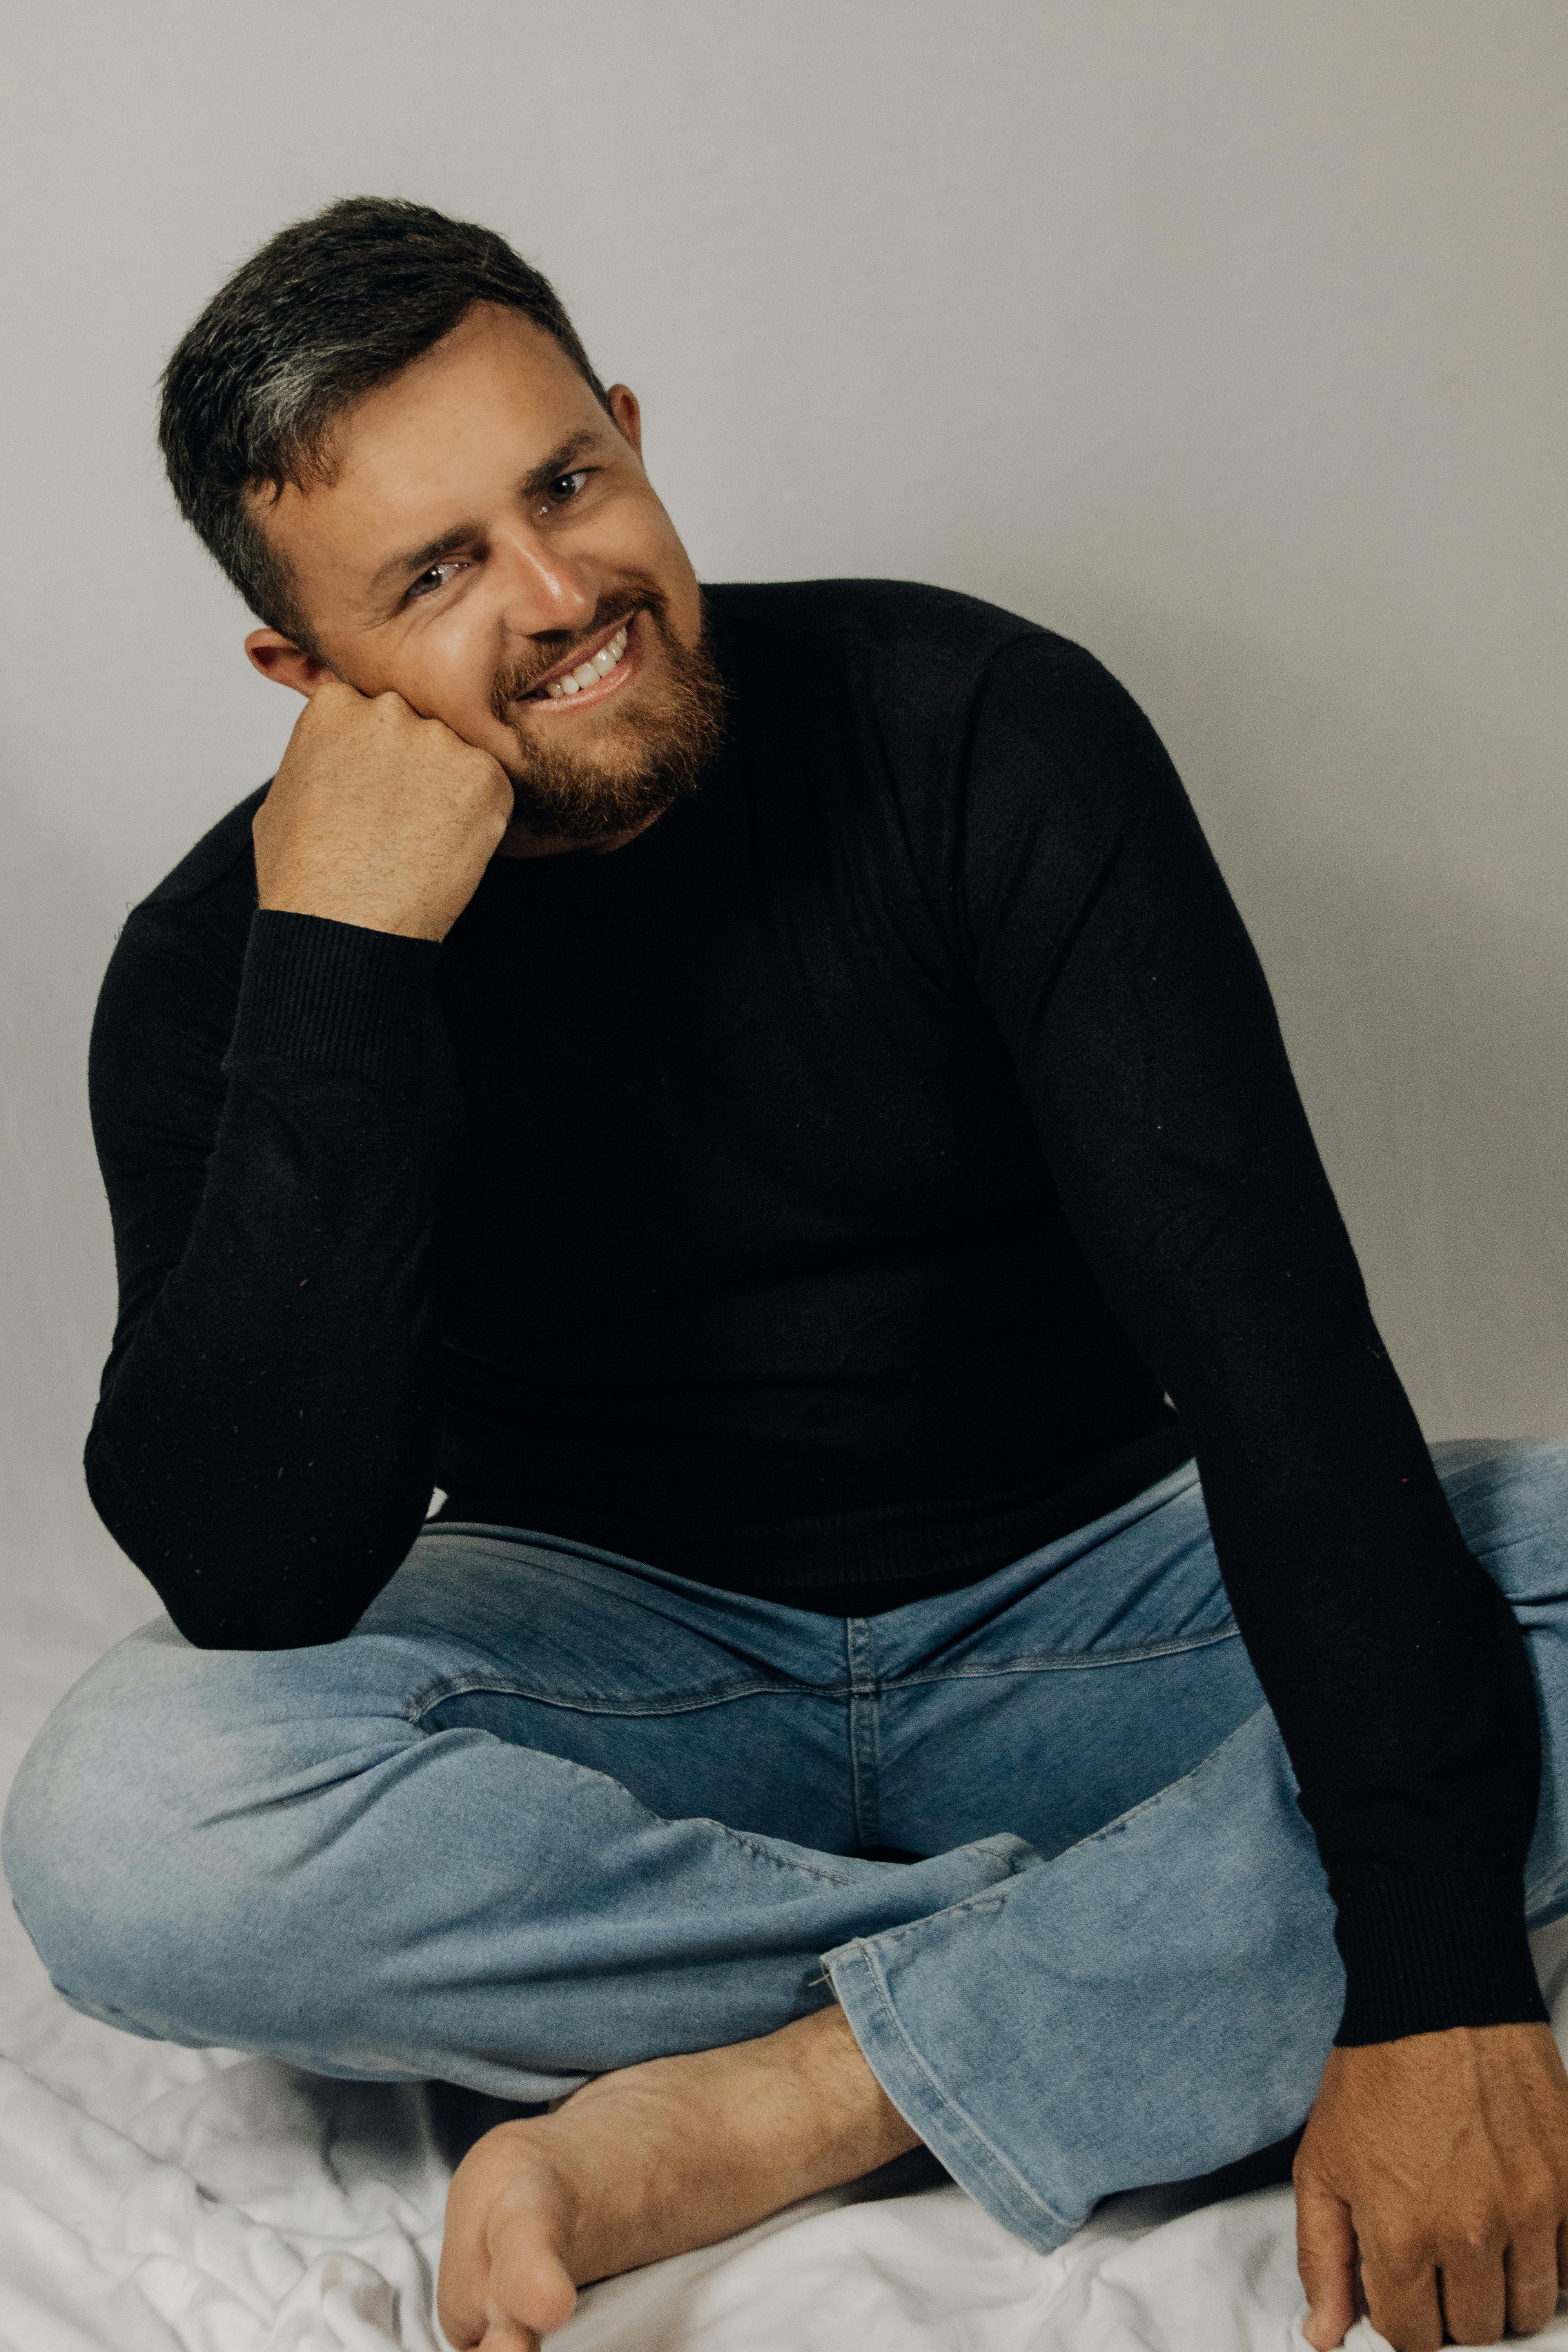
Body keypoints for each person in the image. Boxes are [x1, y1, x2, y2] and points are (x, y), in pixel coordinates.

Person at [3, 194, 1565, 2352]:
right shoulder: (221, 973)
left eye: (569, 484)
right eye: (436, 574)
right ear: (305, 672)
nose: (563, 599)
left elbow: (1280, 1354)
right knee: (125, 1835)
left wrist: (1444, 1992)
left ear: (635, 431)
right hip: (617, 1681)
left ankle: (781, 2106)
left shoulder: (976, 724)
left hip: (1097, 1610)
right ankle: (1132, 1975)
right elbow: (255, 1577)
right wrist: (344, 962)